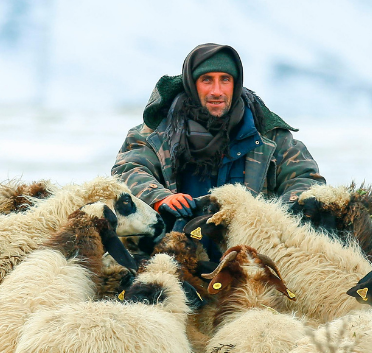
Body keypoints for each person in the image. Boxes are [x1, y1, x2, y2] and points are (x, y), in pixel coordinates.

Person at [111, 43, 325, 220]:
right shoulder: (156, 133)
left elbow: (306, 180)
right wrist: (160, 198)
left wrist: (274, 217)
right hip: (178, 246)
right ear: (191, 84)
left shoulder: (269, 136)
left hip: (252, 248)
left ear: (236, 84)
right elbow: (128, 168)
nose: (216, 91)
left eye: (225, 79)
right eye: (207, 80)